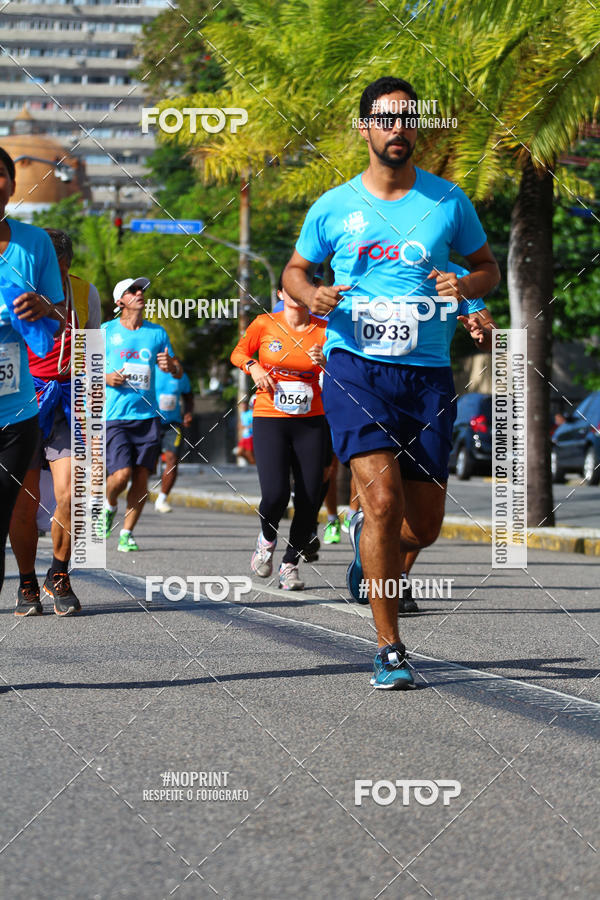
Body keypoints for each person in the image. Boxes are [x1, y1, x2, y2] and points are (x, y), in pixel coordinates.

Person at [283, 77, 500, 688]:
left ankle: (368, 547)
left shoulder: (449, 201)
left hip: (427, 374)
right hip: (355, 365)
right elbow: (295, 271)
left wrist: (469, 287)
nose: (397, 128)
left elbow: (485, 268)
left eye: (407, 118)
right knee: (380, 502)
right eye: (385, 119)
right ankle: (389, 648)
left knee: (421, 525)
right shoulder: (333, 205)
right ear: (365, 128)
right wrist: (312, 291)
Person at [9, 229, 100, 616]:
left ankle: (58, 574)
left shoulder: (85, 292)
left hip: (67, 400)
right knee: (24, 504)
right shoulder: (13, 289)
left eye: (56, 265)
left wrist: (93, 416)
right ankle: (27, 582)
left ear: (66, 263)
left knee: (73, 495)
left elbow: (92, 354)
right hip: (22, 402)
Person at [0, 147, 66, 608]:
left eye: (0, 174)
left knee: (10, 512)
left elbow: (63, 317)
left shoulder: (34, 243)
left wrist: (45, 307)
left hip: (18, 407)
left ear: (11, 182)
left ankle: (47, 578)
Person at [230, 277, 327, 590]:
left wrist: (328, 362)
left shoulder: (325, 329)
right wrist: (253, 366)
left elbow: (346, 368)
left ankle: (289, 565)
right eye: (293, 289)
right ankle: (267, 539)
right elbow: (238, 353)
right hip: (270, 417)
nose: (299, 296)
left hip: (311, 420)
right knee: (275, 494)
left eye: (306, 290)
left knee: (310, 498)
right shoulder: (264, 324)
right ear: (281, 293)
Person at [100, 277, 182, 551]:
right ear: (119, 301)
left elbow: (178, 371)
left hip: (147, 417)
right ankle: (109, 504)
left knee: (141, 478)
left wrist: (170, 365)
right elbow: (80, 368)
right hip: (115, 416)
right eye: (132, 291)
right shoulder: (105, 331)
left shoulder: (157, 333)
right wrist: (105, 377)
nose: (139, 293)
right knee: (121, 474)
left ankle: (127, 533)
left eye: (141, 290)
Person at [154, 364, 193, 513]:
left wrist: (188, 412)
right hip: (151, 422)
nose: (169, 364)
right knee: (148, 464)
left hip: (173, 424)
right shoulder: (152, 370)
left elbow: (188, 396)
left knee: (172, 459)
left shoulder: (180, 375)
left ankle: (162, 499)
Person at [234, 399, 255, 465]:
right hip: (244, 436)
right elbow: (242, 424)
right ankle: (253, 462)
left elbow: (254, 423)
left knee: (249, 454)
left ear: (246, 406)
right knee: (239, 452)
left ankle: (253, 464)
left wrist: (247, 427)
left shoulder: (250, 413)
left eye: (244, 405)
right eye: (241, 406)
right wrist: (240, 426)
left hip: (250, 436)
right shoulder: (242, 414)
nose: (243, 407)